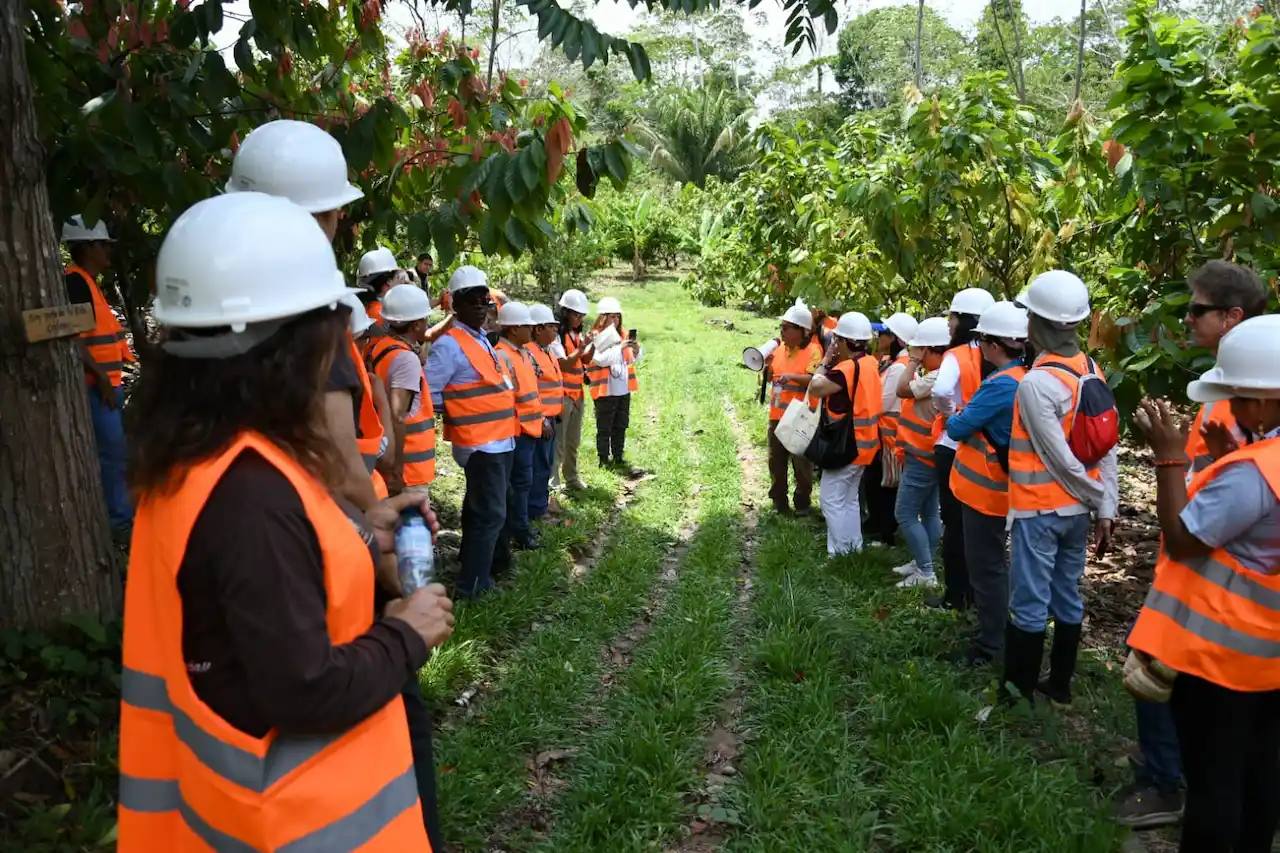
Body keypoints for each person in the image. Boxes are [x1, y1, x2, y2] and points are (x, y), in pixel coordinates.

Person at [117, 192, 453, 852]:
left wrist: (364, 532)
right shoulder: (251, 496)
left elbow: (272, 575)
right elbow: (303, 689)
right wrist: (405, 635)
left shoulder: (208, 457)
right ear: (290, 348)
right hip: (301, 827)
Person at [1117, 259, 1268, 829]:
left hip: (1215, 585)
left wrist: (1170, 459)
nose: (1187, 319)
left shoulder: (1246, 391)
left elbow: (1237, 495)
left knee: (1171, 676)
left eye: (1198, 310)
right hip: (1216, 573)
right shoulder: (1236, 388)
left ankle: (1166, 782)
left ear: (1232, 317)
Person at [225, 119, 378, 513]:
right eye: (336, 211)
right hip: (296, 518)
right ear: (322, 218)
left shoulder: (210, 294)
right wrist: (377, 516)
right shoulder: (312, 318)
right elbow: (342, 469)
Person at [1002, 270, 1118, 706]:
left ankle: (1017, 695)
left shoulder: (1036, 383)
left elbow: (1061, 461)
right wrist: (1105, 507)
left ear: (1037, 322)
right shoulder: (1089, 369)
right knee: (1067, 594)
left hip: (1041, 512)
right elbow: (1106, 447)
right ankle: (1059, 684)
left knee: (1029, 602)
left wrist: (1099, 499)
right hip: (1076, 516)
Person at [943, 301, 1029, 666]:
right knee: (991, 564)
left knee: (986, 568)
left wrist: (961, 414)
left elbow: (956, 427)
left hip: (986, 493)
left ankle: (992, 644)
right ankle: (995, 633)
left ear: (994, 345)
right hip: (995, 490)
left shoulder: (1000, 385)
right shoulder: (1022, 376)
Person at [425, 266, 517, 598]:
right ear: (456, 305)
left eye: (484, 300)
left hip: (499, 439)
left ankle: (482, 565)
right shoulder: (450, 345)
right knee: (490, 513)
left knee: (483, 508)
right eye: (472, 301)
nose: (481, 307)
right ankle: (473, 585)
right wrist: (460, 413)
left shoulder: (478, 338)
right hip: (480, 444)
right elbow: (429, 392)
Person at [61, 215, 137, 540]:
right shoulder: (76, 284)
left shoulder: (89, 283)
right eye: (103, 245)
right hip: (97, 388)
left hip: (107, 386)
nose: (108, 251)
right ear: (88, 247)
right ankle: (119, 524)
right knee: (112, 456)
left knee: (117, 453)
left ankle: (121, 517)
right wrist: (102, 380)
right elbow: (75, 342)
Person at [930, 286, 996, 611]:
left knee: (954, 525)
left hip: (952, 445)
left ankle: (955, 595)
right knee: (980, 527)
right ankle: (977, 594)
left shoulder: (956, 355)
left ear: (964, 320)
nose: (949, 323)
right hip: (986, 450)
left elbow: (941, 390)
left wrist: (951, 415)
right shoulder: (999, 355)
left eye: (952, 317)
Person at [807, 312, 884, 556]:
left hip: (847, 445)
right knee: (849, 499)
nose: (834, 344)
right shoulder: (870, 362)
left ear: (843, 342)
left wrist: (825, 360)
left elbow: (815, 387)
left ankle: (840, 553)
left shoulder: (846, 369)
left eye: (836, 340)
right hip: (867, 443)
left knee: (830, 500)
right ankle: (853, 549)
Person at [892, 317, 950, 588]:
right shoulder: (946, 373)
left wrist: (912, 361)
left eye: (920, 350)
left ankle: (926, 572)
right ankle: (921, 561)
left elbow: (902, 389)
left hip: (922, 456)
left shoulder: (936, 377)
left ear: (928, 349)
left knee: (904, 514)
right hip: (930, 455)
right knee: (929, 512)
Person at [365, 286, 438, 498]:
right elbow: (398, 416)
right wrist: (396, 470)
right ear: (416, 324)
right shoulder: (406, 359)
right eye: (425, 319)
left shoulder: (380, 346)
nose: (427, 323)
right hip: (409, 471)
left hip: (388, 457)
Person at [495, 303, 547, 550]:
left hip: (531, 428)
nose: (532, 330)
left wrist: (542, 418)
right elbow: (508, 398)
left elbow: (532, 391)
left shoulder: (523, 353)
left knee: (525, 481)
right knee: (519, 483)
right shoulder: (502, 356)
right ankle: (520, 532)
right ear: (514, 329)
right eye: (527, 326)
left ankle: (521, 526)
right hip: (518, 432)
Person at [865, 312, 918, 547]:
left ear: (896, 338)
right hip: (889, 434)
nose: (879, 337)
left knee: (883, 485)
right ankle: (880, 527)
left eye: (884, 334)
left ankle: (884, 533)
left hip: (887, 435)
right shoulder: (897, 363)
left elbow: (882, 403)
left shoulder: (898, 368)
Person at [767, 302, 825, 515]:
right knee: (776, 461)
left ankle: (802, 502)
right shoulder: (779, 350)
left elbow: (814, 379)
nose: (782, 331)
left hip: (800, 416)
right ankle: (779, 501)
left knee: (801, 462)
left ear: (801, 330)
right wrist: (767, 367)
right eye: (781, 327)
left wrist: (791, 377)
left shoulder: (814, 351)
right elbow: (771, 377)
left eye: (786, 327)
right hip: (777, 414)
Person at [341, 294, 395, 500]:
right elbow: (386, 458)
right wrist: (381, 402)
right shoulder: (349, 385)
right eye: (365, 338)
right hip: (364, 500)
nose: (367, 343)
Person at [586, 297, 643, 475]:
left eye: (617, 316)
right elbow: (601, 360)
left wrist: (636, 350)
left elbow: (632, 359)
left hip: (623, 389)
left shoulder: (623, 335)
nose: (615, 320)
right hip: (605, 390)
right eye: (612, 316)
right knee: (605, 426)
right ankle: (603, 459)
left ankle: (618, 456)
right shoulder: (594, 337)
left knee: (621, 425)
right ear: (602, 317)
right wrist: (620, 347)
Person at [551, 289, 595, 491]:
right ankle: (554, 481)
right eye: (576, 315)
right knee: (559, 442)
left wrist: (592, 345)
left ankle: (572, 477)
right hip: (563, 396)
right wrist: (582, 347)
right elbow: (565, 364)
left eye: (582, 316)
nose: (579, 319)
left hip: (577, 394)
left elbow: (584, 359)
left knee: (573, 440)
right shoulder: (556, 336)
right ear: (565, 312)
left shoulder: (575, 335)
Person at [526, 304, 564, 523]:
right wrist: (541, 419)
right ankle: (537, 510)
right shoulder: (530, 353)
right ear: (538, 329)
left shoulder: (547, 351)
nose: (556, 330)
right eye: (551, 326)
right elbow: (530, 390)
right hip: (540, 421)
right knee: (539, 466)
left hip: (551, 417)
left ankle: (541, 503)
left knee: (545, 464)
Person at [357, 246, 403, 324]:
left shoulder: (361, 305)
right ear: (388, 281)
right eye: (397, 277)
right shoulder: (381, 313)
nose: (400, 282)